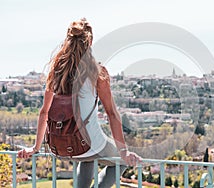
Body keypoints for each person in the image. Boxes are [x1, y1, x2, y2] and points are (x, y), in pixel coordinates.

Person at [18, 18, 141, 188]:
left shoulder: (56, 71)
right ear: (89, 41)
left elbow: (44, 112)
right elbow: (112, 113)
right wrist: (124, 151)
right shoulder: (97, 71)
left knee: (86, 158)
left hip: (60, 146)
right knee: (121, 161)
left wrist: (35, 147)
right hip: (88, 143)